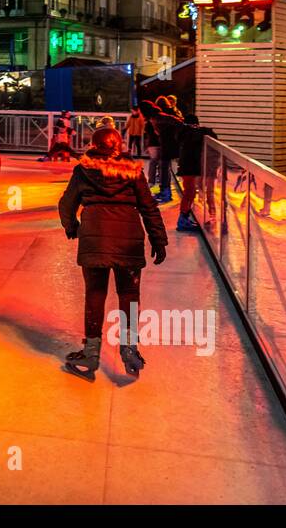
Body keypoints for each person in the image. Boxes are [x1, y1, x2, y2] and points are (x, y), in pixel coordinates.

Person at [58, 126, 168, 379]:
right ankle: (129, 349)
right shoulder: (133, 170)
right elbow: (148, 206)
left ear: (93, 145)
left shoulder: (83, 170)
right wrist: (158, 239)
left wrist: (72, 226)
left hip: (94, 237)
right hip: (128, 239)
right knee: (129, 293)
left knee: (95, 293)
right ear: (120, 145)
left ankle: (91, 353)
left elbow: (66, 204)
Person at [176, 115, 218, 232]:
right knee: (189, 192)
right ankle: (182, 220)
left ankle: (185, 217)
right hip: (189, 167)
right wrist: (203, 129)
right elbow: (207, 134)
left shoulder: (185, 133)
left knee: (191, 192)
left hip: (189, 167)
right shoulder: (188, 133)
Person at [150, 95, 185, 205]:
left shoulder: (161, 115)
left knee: (164, 167)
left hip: (167, 143)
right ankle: (165, 191)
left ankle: (165, 193)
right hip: (174, 143)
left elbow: (161, 130)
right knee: (165, 167)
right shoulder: (175, 112)